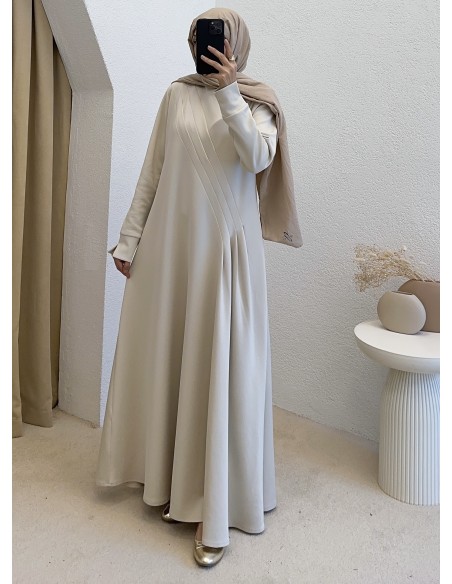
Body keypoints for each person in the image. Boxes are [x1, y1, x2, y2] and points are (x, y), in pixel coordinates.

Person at [95, 7, 302, 568]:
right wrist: (129, 240)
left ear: (238, 46)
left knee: (221, 370)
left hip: (225, 257)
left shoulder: (259, 101)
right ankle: (167, 481)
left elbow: (257, 156)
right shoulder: (176, 95)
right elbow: (152, 171)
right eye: (200, 38)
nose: (207, 47)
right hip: (172, 250)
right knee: (168, 359)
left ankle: (214, 510)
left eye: (219, 39)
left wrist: (230, 91)